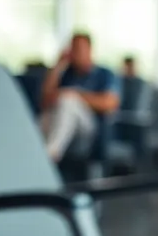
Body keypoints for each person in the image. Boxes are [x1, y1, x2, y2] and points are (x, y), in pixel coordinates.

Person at [40, 32, 121, 161]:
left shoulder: (104, 74)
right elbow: (45, 101)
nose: (74, 53)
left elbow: (109, 103)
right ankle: (30, 154)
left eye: (78, 48)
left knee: (67, 101)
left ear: (89, 50)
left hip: (91, 127)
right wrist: (58, 65)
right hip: (62, 123)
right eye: (72, 48)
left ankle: (50, 155)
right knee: (46, 116)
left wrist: (74, 95)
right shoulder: (66, 74)